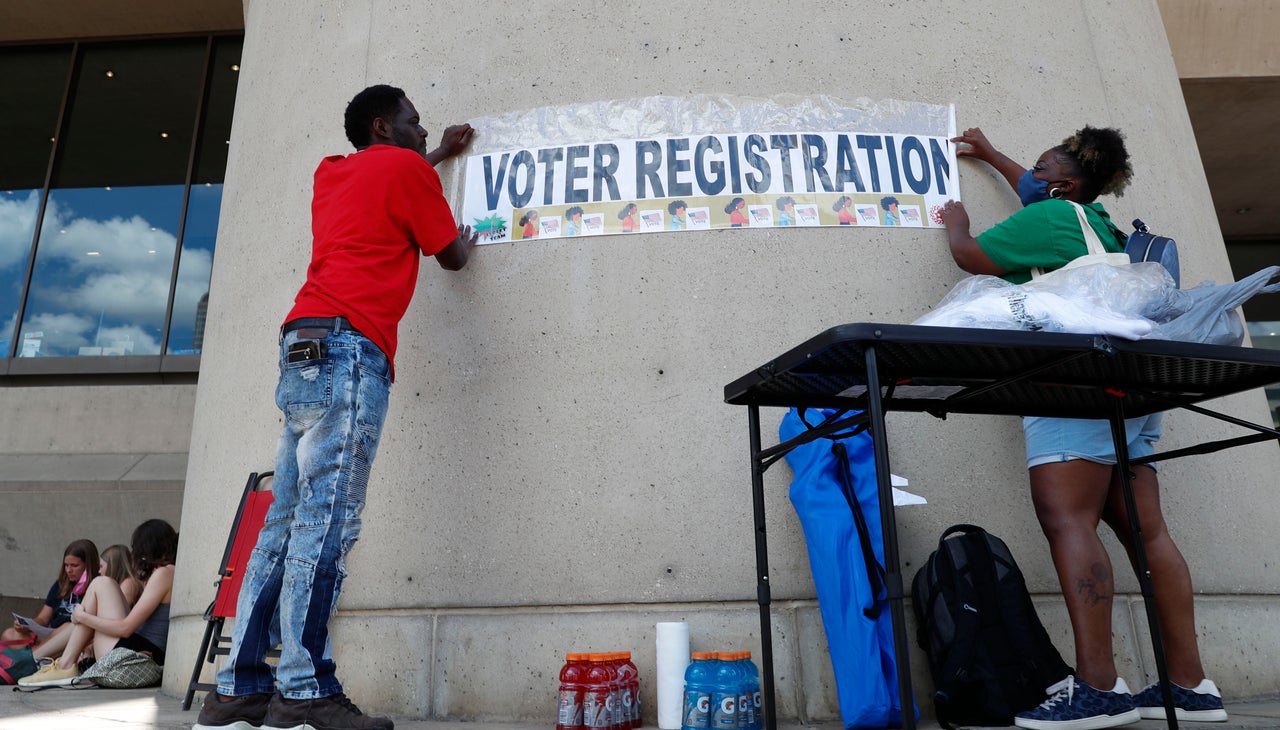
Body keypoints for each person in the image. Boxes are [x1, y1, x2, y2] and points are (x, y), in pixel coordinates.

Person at [193, 83, 478, 730]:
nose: (420, 128)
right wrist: (467, 233)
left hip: (302, 343)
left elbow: (393, 177)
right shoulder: (405, 169)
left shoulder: (333, 174)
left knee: (283, 522)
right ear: (383, 126)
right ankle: (304, 687)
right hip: (352, 350)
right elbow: (452, 258)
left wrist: (433, 154)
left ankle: (237, 686)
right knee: (327, 523)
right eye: (412, 121)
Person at [941, 125, 1227, 729]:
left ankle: (1098, 687)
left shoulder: (1049, 219)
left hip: (1073, 384)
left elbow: (971, 257)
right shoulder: (1096, 222)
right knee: (1148, 534)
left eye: (1041, 169)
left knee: (1067, 517)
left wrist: (956, 220)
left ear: (1062, 184)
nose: (1031, 177)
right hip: (1136, 383)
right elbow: (1033, 189)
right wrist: (991, 152)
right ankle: (1191, 685)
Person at [18, 519, 177, 686]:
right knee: (101, 586)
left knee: (101, 583)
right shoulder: (164, 573)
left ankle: (54, 664)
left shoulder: (165, 573)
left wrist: (83, 616)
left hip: (134, 658)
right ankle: (36, 660)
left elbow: (126, 628)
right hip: (134, 651)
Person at [2, 539, 99, 661]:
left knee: (68, 625)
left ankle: (31, 658)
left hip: (75, 638)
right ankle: (43, 655)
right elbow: (43, 619)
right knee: (9, 634)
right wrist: (27, 624)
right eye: (66, 565)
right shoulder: (61, 585)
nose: (68, 570)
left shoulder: (97, 586)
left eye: (74, 565)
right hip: (50, 635)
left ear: (88, 565)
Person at [100, 543, 141, 608]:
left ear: (112, 566)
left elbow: (119, 610)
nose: (99, 571)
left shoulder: (128, 583)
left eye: (101, 566)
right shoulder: (117, 583)